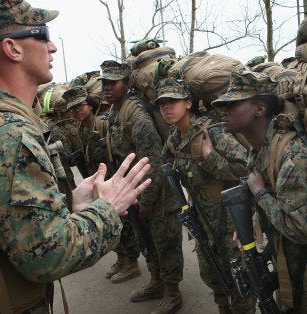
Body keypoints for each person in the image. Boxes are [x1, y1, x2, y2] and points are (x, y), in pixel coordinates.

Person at [0, 0, 152, 312]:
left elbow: (2, 222)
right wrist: (109, 209)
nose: (52, 46)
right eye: (41, 34)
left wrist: (70, 205)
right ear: (12, 49)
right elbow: (46, 257)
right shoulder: (10, 134)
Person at [213, 70, 307, 313]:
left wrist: (260, 194)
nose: (224, 111)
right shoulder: (260, 150)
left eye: (233, 104)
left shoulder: (292, 155)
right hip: (290, 266)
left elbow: (301, 229)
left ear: (259, 109)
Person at [157, 78, 256, 313]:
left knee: (239, 279)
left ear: (189, 103)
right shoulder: (174, 139)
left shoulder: (212, 132)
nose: (166, 108)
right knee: (213, 275)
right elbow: (167, 167)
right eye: (162, 104)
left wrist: (211, 158)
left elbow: (248, 167)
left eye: (173, 101)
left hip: (230, 219)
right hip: (202, 219)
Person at [99, 60, 184, 314]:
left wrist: (147, 199)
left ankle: (173, 292)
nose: (107, 87)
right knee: (145, 238)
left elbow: (154, 158)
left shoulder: (135, 113)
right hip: (136, 189)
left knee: (165, 240)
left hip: (156, 190)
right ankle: (157, 282)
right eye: (105, 83)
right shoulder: (116, 110)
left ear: (126, 84)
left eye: (113, 83)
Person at [63, 85, 108, 176]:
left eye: (80, 106)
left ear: (90, 106)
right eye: (72, 108)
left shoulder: (102, 124)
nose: (77, 111)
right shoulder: (81, 127)